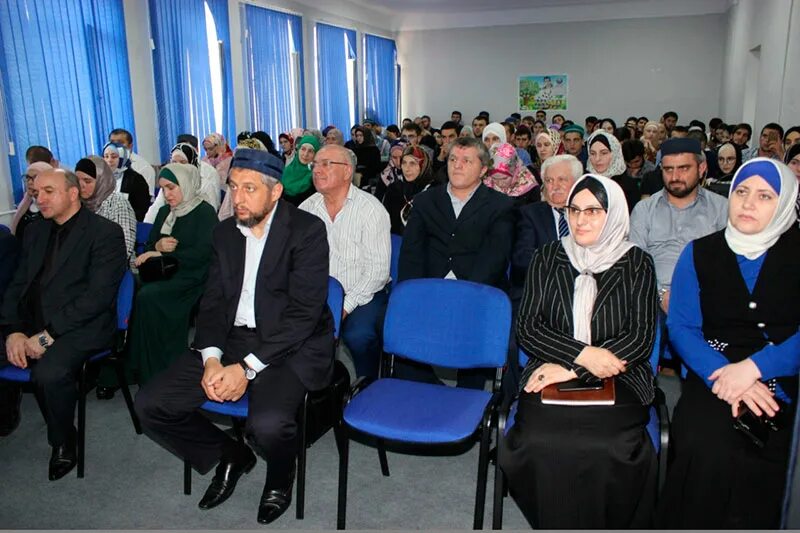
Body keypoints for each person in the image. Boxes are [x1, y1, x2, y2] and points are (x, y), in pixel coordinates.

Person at [134, 149, 333, 525]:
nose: (238, 198)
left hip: (290, 346)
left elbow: (303, 315)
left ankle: (280, 475)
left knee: (268, 425)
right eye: (233, 187)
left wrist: (245, 368)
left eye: (250, 188)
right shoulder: (224, 233)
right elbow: (211, 305)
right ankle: (230, 454)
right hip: (232, 339)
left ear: (275, 192)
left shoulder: (306, 231)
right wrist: (211, 358)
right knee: (150, 403)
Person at [500, 174, 658, 529]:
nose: (581, 220)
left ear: (614, 213)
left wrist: (573, 368)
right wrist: (584, 356)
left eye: (593, 210)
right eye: (574, 210)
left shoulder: (637, 263)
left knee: (614, 446)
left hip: (621, 375)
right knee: (537, 440)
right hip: (548, 368)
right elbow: (529, 328)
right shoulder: (548, 256)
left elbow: (639, 339)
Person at [657, 158, 800, 528]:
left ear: (784, 203)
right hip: (714, 374)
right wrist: (725, 376)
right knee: (705, 448)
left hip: (787, 375)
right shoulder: (699, 252)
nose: (748, 203)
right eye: (741, 192)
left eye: (765, 196)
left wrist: (754, 369)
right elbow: (683, 328)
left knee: (780, 457)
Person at [0, 168, 126, 478]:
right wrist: (13, 329)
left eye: (48, 191)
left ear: (73, 194)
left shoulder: (104, 233)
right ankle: (5, 413)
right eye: (36, 192)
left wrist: (47, 336)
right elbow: (17, 285)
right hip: (32, 321)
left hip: (83, 326)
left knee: (49, 372)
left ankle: (64, 441)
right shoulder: (35, 231)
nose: (38, 197)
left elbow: (96, 298)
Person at [397, 137, 514, 389]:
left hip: (477, 288)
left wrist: (464, 297)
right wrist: (412, 295)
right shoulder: (426, 200)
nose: (457, 166)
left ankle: (468, 404)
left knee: (475, 332)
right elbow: (411, 253)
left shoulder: (501, 206)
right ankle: (426, 393)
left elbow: (494, 258)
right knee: (403, 333)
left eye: (466, 161)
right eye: (452, 159)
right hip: (429, 285)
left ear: (483, 169)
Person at [299, 144, 391, 379]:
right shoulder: (306, 209)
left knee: (359, 335)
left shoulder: (371, 210)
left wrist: (344, 307)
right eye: (315, 164)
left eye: (326, 164)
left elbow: (376, 273)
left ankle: (367, 382)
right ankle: (315, 388)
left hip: (363, 292)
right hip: (319, 291)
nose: (317, 170)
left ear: (347, 171)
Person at [123, 164, 217, 387]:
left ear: (186, 184)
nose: (167, 194)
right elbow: (149, 243)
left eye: (172, 188)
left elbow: (204, 254)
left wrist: (163, 253)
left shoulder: (204, 211)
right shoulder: (166, 211)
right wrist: (157, 245)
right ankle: (140, 364)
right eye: (163, 189)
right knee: (137, 289)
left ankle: (164, 364)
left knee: (150, 296)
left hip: (193, 276)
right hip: (163, 272)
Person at [629, 138, 728, 313]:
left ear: (701, 168)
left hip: (707, 300)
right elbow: (637, 266)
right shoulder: (644, 209)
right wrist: (661, 294)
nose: (675, 177)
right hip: (652, 301)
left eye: (684, 168)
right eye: (668, 169)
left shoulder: (721, 208)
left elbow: (728, 265)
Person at [75, 156, 137, 267]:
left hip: (115, 269)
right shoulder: (79, 205)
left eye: (87, 181)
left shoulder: (118, 203)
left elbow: (124, 249)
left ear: (101, 180)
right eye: (77, 181)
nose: (81, 186)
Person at [382, 145, 435, 235]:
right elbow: (385, 222)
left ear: (423, 165)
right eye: (404, 163)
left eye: (412, 163)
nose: (407, 169)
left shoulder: (434, 192)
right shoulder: (394, 189)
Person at [586, 130, 640, 212]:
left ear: (614, 153)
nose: (597, 159)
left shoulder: (629, 186)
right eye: (593, 153)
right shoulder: (584, 182)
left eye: (604, 153)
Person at [102, 142, 151, 221]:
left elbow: (142, 210)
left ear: (122, 158)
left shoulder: (136, 180)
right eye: (106, 156)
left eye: (114, 157)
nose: (109, 160)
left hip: (129, 222)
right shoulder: (101, 179)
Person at [485, 142, 540, 208]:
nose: (500, 183)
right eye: (494, 178)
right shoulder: (485, 187)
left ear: (515, 171)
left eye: (504, 178)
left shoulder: (530, 189)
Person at [109, 128, 156, 197]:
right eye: (112, 143)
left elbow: (146, 199)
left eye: (120, 143)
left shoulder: (143, 167)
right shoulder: (106, 165)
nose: (116, 146)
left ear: (130, 146)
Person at [10, 162, 50, 242]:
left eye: (35, 177)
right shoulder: (25, 204)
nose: (30, 182)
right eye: (27, 178)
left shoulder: (54, 206)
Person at [280, 135, 320, 206]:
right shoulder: (287, 171)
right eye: (303, 149)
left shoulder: (316, 177)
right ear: (298, 150)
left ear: (315, 155)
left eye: (310, 151)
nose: (305, 154)